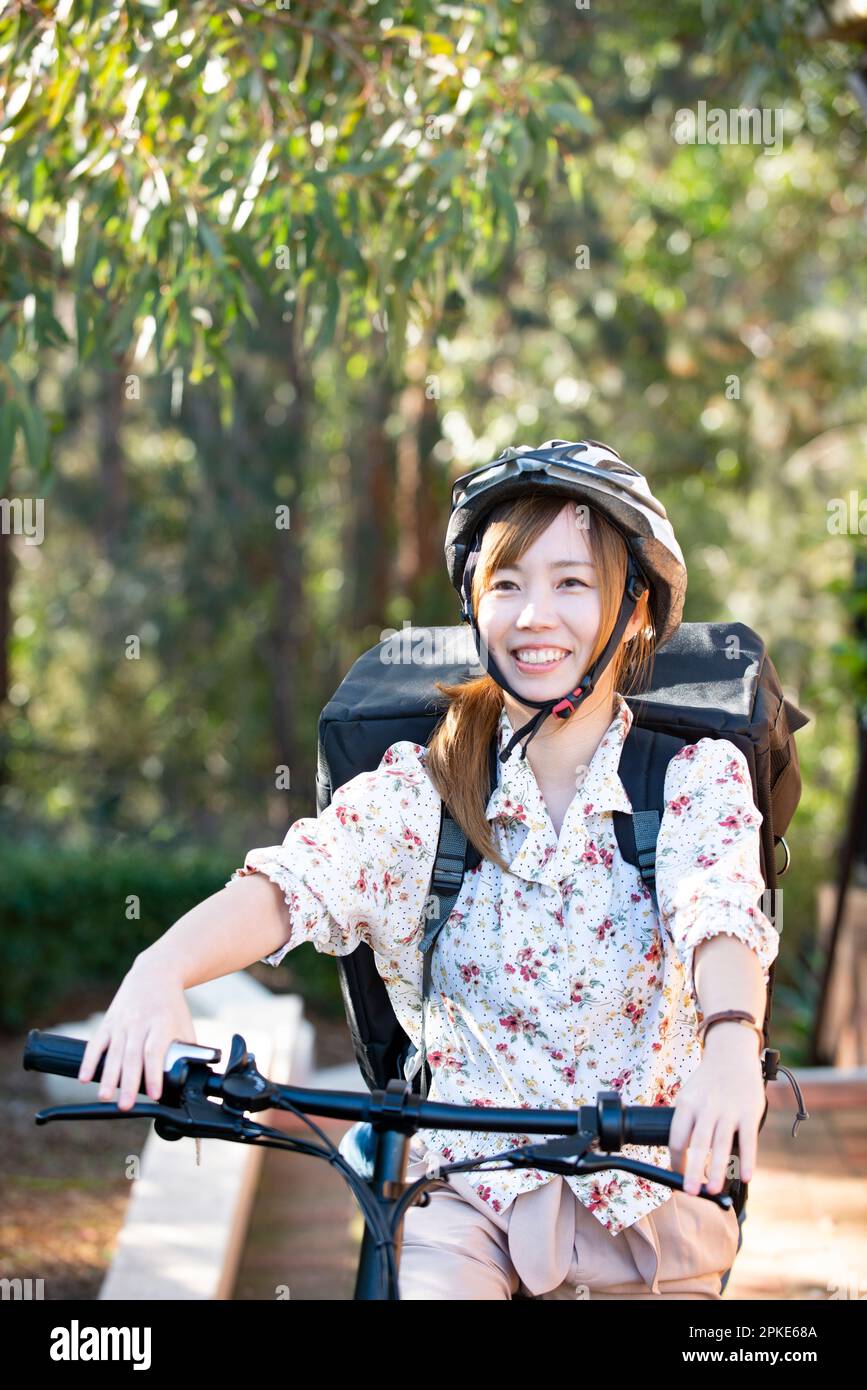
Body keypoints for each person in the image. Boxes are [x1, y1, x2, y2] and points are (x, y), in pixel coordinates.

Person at [77, 439, 778, 1300]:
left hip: (649, 1207)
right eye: (506, 585)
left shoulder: (690, 779)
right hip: (467, 1202)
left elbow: (719, 910)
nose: (533, 617)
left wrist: (731, 1041)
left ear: (634, 610)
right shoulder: (425, 790)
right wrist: (161, 968)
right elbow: (295, 883)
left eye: (571, 583)